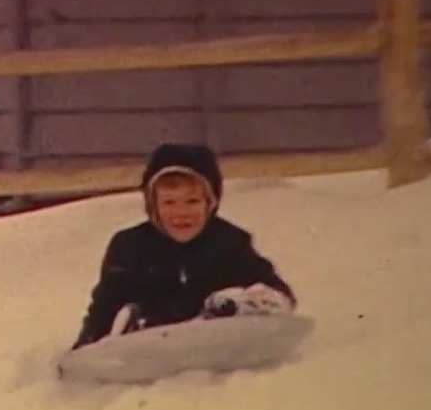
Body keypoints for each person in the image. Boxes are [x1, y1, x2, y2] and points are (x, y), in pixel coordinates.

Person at [70, 143, 297, 350]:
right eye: (169, 202)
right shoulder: (129, 247)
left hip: (215, 334)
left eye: (192, 201)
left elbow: (276, 292)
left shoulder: (230, 242)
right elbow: (104, 305)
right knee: (133, 314)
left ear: (211, 203)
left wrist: (242, 303)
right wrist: (86, 345)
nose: (181, 213)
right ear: (153, 206)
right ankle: (135, 324)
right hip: (151, 336)